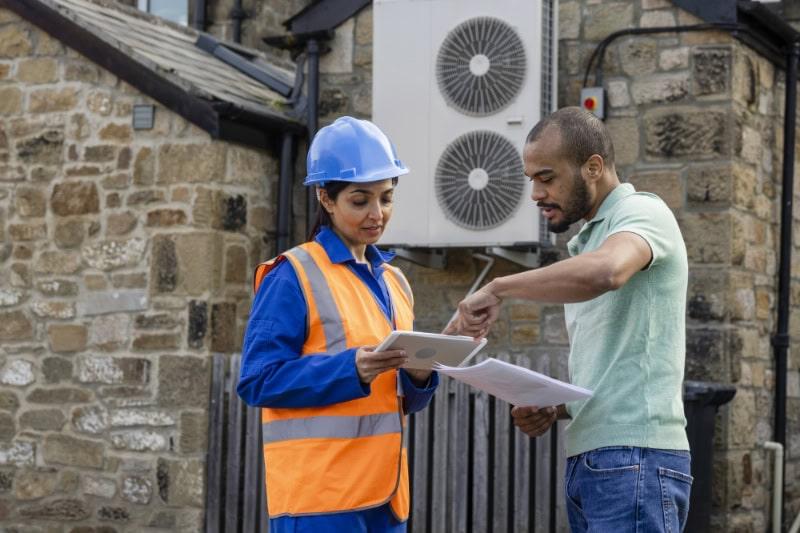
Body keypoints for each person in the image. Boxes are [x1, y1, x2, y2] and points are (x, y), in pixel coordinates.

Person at [454, 107, 692, 532]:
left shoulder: (642, 213)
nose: (536, 194)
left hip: (636, 457)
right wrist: (558, 407)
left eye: (547, 178)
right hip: (595, 459)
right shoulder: (589, 241)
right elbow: (619, 364)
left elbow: (609, 271)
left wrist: (499, 287)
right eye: (531, 180)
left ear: (593, 167)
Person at [237, 116, 439, 533]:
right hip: (320, 501)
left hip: (385, 499)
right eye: (360, 200)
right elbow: (257, 381)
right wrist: (352, 368)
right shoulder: (291, 274)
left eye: (386, 198)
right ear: (326, 199)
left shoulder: (395, 283)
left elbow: (399, 404)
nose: (376, 214)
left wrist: (419, 378)